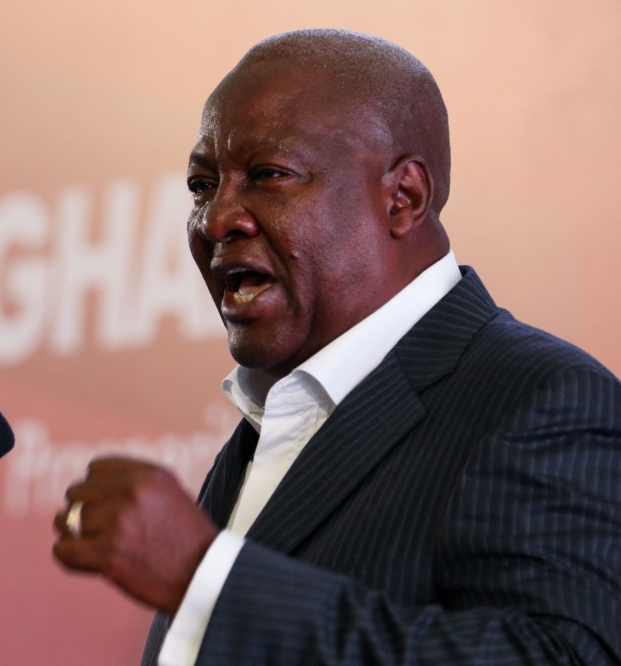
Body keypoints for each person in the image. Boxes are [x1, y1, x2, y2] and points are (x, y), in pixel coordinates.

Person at [52, 29, 621, 666]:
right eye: (202, 185)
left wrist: (208, 578)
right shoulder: (270, 428)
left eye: (269, 174)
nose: (216, 219)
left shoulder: (541, 400)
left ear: (403, 197)